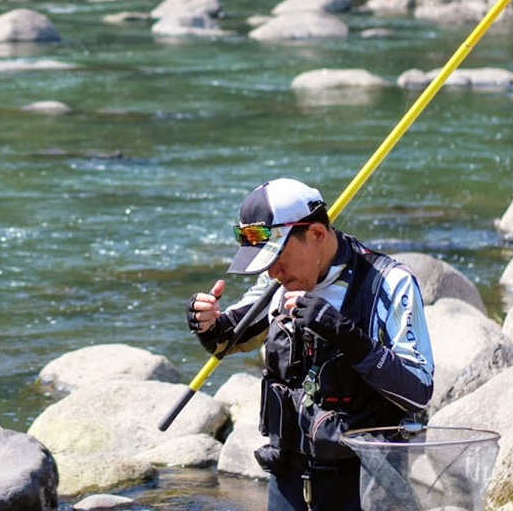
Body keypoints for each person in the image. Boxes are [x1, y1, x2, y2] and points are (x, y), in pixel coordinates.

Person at [185, 178, 434, 511]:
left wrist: (342, 332)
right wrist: (208, 324)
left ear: (316, 234)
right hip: (288, 473)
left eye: (277, 257)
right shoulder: (277, 281)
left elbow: (418, 390)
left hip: (365, 480)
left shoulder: (389, 283)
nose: (273, 272)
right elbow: (229, 340)